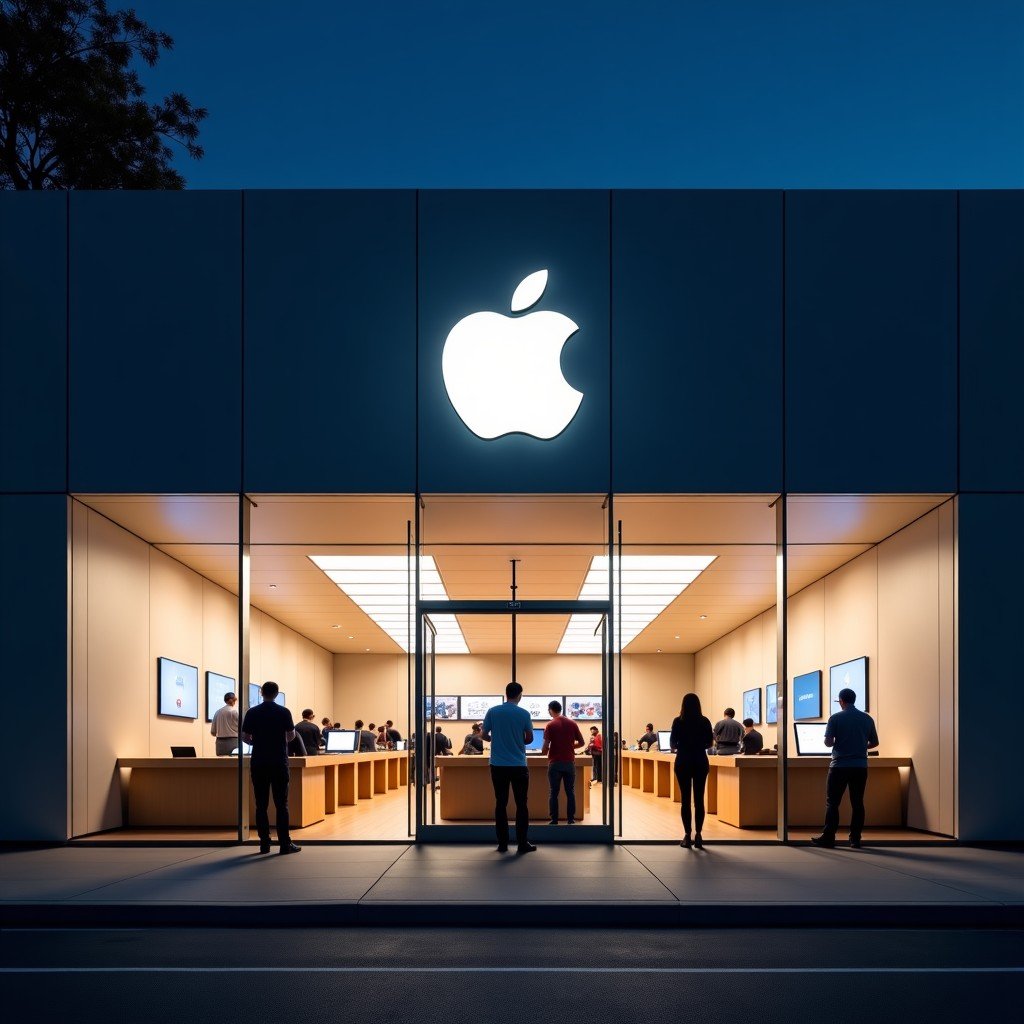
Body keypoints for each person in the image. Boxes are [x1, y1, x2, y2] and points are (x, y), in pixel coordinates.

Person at [812, 687, 879, 849]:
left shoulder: (835, 718)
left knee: (833, 803)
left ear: (841, 701)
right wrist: (860, 746)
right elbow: (875, 743)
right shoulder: (867, 719)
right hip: (860, 767)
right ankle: (855, 839)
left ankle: (828, 837)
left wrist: (840, 743)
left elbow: (828, 742)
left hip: (839, 766)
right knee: (857, 803)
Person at [240, 681, 300, 855]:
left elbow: (245, 736)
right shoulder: (283, 712)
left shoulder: (252, 712)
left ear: (261, 692)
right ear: (276, 694)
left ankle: (264, 843)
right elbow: (290, 736)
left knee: (261, 804)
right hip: (279, 762)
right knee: (282, 804)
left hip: (259, 762)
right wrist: (278, 741)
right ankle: (284, 844)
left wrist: (257, 742)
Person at [481, 682, 535, 854]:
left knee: (501, 804)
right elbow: (529, 739)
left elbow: (483, 735)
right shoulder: (524, 714)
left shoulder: (493, 711)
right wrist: (517, 742)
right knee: (521, 804)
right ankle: (522, 844)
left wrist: (495, 740)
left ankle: (502, 844)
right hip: (519, 765)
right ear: (520, 695)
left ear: (506, 694)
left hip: (498, 765)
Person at [669, 692, 714, 849]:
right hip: (700, 761)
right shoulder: (704, 721)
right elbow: (710, 743)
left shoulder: (678, 721)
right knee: (699, 800)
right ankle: (699, 835)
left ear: (683, 705)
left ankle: (687, 836)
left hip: (683, 762)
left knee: (685, 800)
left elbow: (673, 744)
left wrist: (682, 745)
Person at [542, 700, 585, 824]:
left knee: (554, 792)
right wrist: (570, 747)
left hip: (555, 763)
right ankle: (571, 819)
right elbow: (582, 742)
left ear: (550, 710)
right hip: (569, 763)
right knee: (570, 792)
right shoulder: (572, 723)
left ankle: (554, 820)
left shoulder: (550, 725)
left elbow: (545, 748)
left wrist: (545, 751)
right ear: (560, 709)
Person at [210, 691, 239, 756]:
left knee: (221, 765)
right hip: (233, 742)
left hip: (220, 743)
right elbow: (242, 729)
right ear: (233, 700)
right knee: (234, 764)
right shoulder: (235, 712)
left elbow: (213, 732)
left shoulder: (217, 712)